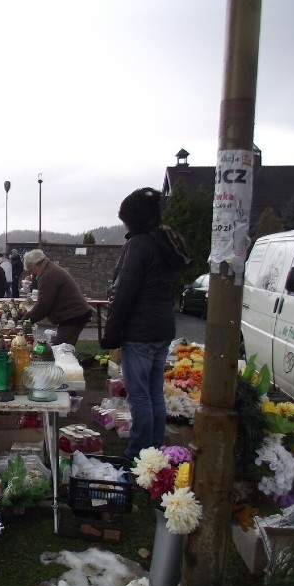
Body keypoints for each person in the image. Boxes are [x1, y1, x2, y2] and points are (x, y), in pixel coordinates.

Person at [99, 187, 190, 461]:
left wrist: (112, 332)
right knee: (154, 395)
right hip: (162, 329)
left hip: (140, 332)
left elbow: (125, 292)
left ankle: (138, 453)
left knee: (140, 397)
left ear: (133, 218)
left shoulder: (139, 245)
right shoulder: (162, 243)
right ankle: (155, 452)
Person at [22, 248, 93, 348]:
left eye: (31, 270)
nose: (33, 273)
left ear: (37, 265)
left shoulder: (48, 275)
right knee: (63, 348)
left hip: (73, 316)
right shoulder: (50, 269)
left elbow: (43, 305)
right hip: (74, 315)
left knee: (59, 350)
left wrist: (26, 320)